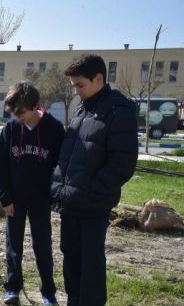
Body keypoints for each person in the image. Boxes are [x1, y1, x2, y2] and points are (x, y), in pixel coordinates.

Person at [51, 54, 138, 306]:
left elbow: (122, 164)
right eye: (74, 87)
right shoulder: (83, 109)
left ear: (99, 79)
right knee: (71, 255)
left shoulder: (118, 111)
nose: (76, 92)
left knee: (91, 262)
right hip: (71, 202)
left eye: (80, 85)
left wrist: (90, 190)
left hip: (93, 204)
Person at [0, 82, 64, 306]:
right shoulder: (11, 129)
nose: (17, 116)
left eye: (21, 111)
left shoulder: (54, 129)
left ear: (35, 106)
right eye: (13, 113)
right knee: (13, 246)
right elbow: (0, 166)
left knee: (43, 246)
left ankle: (48, 292)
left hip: (41, 201)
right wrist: (3, 196)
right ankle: (12, 288)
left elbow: (60, 167)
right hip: (14, 200)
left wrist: (54, 195)